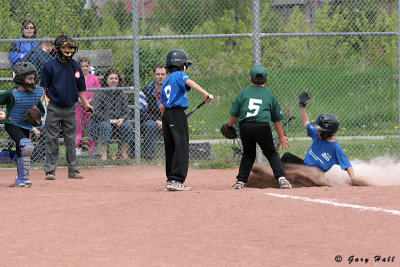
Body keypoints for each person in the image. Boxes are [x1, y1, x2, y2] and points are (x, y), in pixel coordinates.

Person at [229, 65, 292, 190]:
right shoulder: (269, 94)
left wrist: (230, 126)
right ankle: (282, 179)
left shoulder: (244, 93)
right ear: (266, 80)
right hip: (262, 126)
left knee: (248, 154)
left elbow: (235, 113)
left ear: (251, 80)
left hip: (245, 126)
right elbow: (276, 119)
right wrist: (281, 137)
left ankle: (240, 182)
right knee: (271, 153)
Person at [40, 35, 93, 180]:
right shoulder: (49, 66)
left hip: (70, 107)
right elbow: (43, 89)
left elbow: (80, 90)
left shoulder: (75, 65)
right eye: (64, 47)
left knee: (71, 140)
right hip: (54, 107)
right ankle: (50, 170)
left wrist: (86, 104)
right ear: (58, 49)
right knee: (52, 139)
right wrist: (40, 106)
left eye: (69, 47)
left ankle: (73, 170)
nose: (67, 50)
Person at [160, 49, 212, 191]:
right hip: (176, 114)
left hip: (167, 116)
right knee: (181, 146)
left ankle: (171, 178)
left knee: (171, 147)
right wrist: (205, 93)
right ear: (181, 65)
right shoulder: (180, 75)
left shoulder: (166, 81)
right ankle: (176, 180)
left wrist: (167, 119)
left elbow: (162, 106)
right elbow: (189, 82)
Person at [280, 92, 355, 182]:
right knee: (287, 157)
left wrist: (354, 180)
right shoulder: (318, 135)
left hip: (314, 176)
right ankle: (279, 177)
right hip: (304, 167)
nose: (317, 131)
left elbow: (348, 166)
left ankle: (294, 179)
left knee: (308, 175)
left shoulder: (335, 148)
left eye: (320, 129)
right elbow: (306, 123)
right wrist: (302, 106)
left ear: (327, 133)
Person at [0, 62, 45, 187]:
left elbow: (41, 110)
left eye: (33, 78)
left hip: (25, 125)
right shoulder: (11, 93)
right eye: (29, 78)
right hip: (12, 124)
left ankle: (7, 156)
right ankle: (22, 179)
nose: (32, 81)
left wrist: (36, 117)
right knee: (26, 145)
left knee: (22, 152)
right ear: (20, 79)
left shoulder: (34, 93)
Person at [88, 68, 134, 161]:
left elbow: (126, 111)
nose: (114, 81)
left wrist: (123, 119)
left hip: (116, 125)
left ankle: (123, 153)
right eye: (111, 78)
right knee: (106, 125)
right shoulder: (100, 92)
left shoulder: (120, 93)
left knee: (128, 126)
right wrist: (109, 120)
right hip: (98, 125)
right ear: (106, 80)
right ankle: (104, 155)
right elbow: (95, 111)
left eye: (116, 78)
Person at [140, 65, 167, 160]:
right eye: (158, 74)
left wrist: (165, 121)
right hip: (150, 121)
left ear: (166, 76)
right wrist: (156, 120)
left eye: (163, 74)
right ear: (154, 76)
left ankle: (175, 155)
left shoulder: (171, 91)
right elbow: (140, 112)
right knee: (150, 125)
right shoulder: (145, 91)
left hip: (166, 120)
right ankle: (150, 158)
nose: (160, 77)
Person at [75, 57, 100, 156]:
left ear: (89, 66)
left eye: (87, 66)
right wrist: (80, 100)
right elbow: (74, 90)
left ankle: (92, 147)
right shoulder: (77, 77)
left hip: (91, 105)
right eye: (82, 66)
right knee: (79, 126)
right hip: (79, 106)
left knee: (90, 126)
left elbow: (97, 91)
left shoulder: (94, 78)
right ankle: (78, 146)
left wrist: (89, 101)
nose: (85, 68)